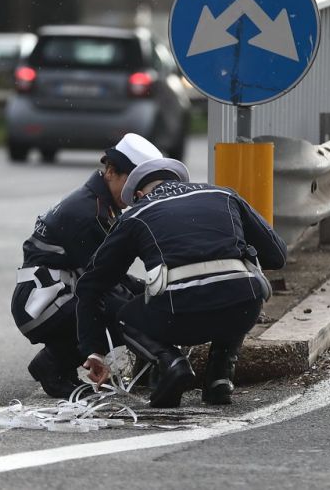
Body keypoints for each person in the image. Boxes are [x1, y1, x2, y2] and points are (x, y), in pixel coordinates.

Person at [75, 158, 287, 408]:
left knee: (125, 315)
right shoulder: (225, 195)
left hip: (179, 315)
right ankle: (219, 377)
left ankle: (171, 362)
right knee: (234, 286)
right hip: (243, 309)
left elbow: (93, 283)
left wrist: (93, 349)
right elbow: (277, 255)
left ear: (140, 194)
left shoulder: (137, 213)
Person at [11, 134, 163, 398]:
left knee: (128, 302)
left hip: (49, 296)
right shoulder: (89, 212)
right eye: (135, 182)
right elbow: (101, 281)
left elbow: (107, 272)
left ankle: (61, 363)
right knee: (121, 311)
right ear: (111, 172)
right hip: (40, 303)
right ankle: (52, 366)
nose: (139, 192)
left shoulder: (97, 203)